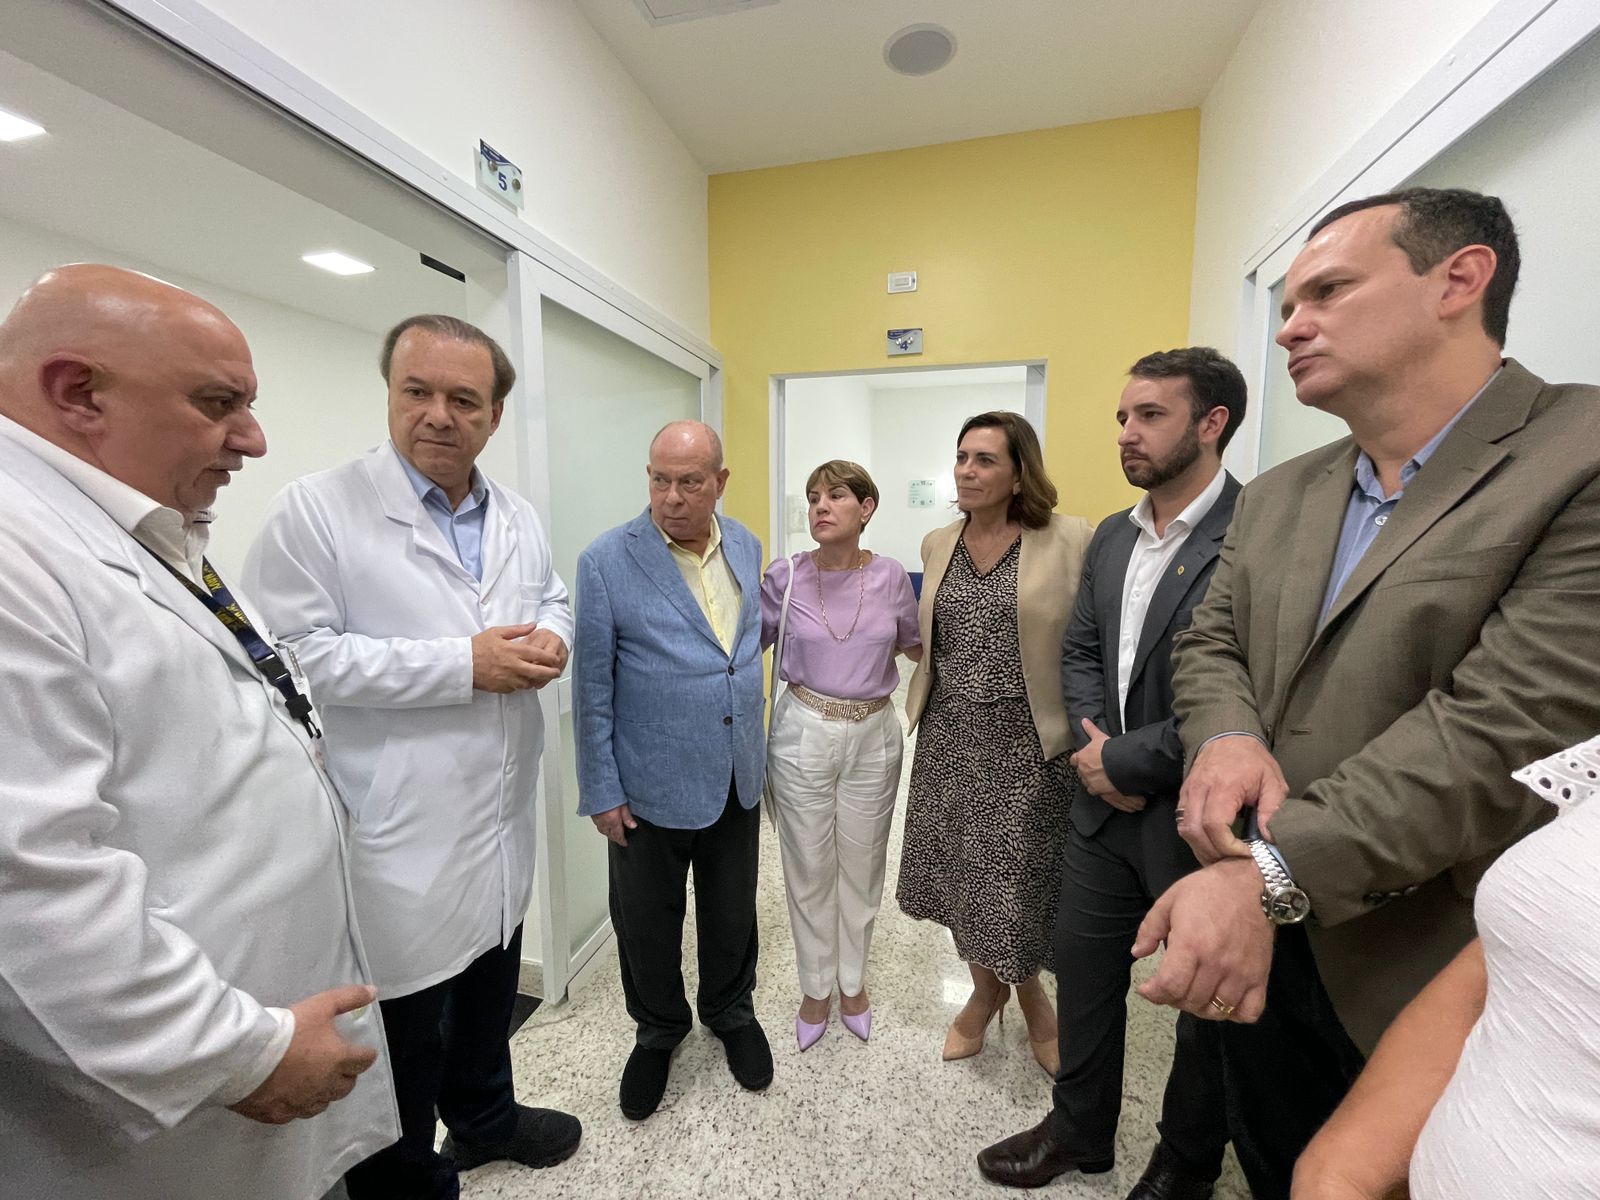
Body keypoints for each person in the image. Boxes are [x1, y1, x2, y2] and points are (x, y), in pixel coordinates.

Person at [1132, 187, 1600, 1198]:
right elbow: (1211, 641)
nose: (1289, 327)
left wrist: (1271, 872)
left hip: (1420, 957)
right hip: (1252, 928)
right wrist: (1224, 737)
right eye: (1287, 304)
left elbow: (1500, 730)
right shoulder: (1285, 490)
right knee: (1273, 1158)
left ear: (1458, 280)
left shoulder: (1578, 458)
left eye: (1328, 292)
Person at [0, 264, 398, 1200]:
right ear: (77, 392)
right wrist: (235, 1055)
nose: (253, 439)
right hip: (173, 1092)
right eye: (220, 404)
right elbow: (27, 883)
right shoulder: (19, 556)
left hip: (260, 1029)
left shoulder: (146, 530)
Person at [244, 314, 580, 1199]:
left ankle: (487, 1120)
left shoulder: (514, 515)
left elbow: (550, 595)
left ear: (494, 416)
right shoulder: (318, 509)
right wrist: (460, 666)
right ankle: (405, 1177)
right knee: (404, 1026)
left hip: (499, 816)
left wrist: (554, 635)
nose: (438, 414)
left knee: (488, 991)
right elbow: (290, 656)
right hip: (397, 826)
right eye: (417, 391)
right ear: (390, 394)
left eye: (464, 399)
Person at [980, 348, 1243, 1196]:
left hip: (1198, 815)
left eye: (1150, 415)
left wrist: (1127, 760)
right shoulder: (1114, 535)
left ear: (1212, 424)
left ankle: (1185, 1162)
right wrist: (1096, 756)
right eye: (1124, 417)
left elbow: (1248, 687)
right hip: (1099, 808)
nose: (1127, 432)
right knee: (1085, 974)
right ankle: (1080, 1130)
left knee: (1201, 1004)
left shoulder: (1254, 533)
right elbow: (1083, 651)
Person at [1291, 734, 1600, 1200]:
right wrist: (1338, 1173)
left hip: (1378, 902)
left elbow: (1488, 729)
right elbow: (1530, 963)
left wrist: (1275, 864)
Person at [574, 420, 772, 1121]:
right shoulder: (606, 561)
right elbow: (591, 689)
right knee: (647, 924)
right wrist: (601, 789)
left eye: (690, 482)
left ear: (720, 481)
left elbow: (738, 651)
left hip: (734, 774)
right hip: (647, 785)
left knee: (732, 910)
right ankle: (658, 1030)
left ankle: (730, 1010)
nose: (672, 497)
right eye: (660, 479)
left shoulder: (744, 544)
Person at [896, 410, 1094, 1075]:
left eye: (984, 459)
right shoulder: (937, 543)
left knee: (1018, 881)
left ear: (1018, 474)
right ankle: (985, 994)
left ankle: (1031, 996)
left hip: (1029, 742)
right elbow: (928, 641)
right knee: (961, 876)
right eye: (961, 457)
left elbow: (1091, 643)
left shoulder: (1070, 538)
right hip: (950, 737)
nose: (966, 471)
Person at [761, 460, 921, 1050]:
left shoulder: (891, 577)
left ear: (866, 507)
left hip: (874, 734)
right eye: (812, 498)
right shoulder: (785, 576)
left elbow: (915, 645)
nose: (820, 507)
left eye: (835, 496)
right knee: (808, 867)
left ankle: (852, 983)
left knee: (863, 864)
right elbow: (742, 643)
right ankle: (814, 988)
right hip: (803, 730)